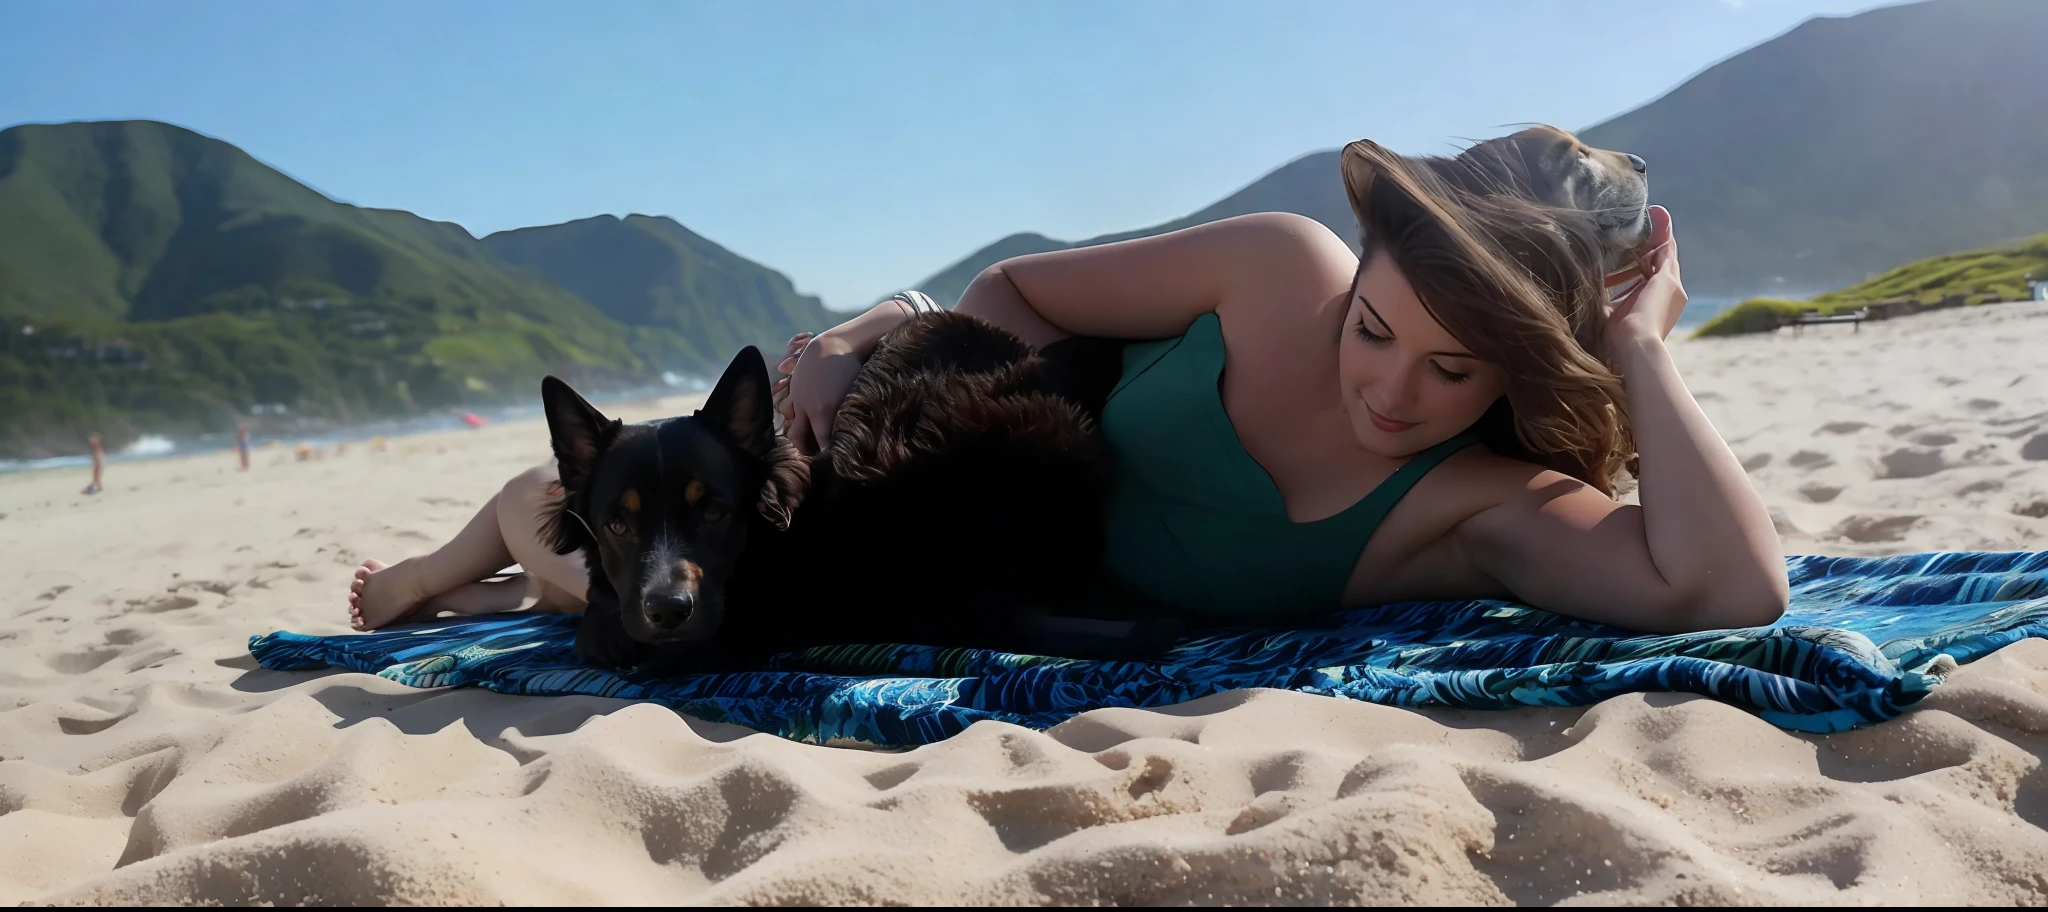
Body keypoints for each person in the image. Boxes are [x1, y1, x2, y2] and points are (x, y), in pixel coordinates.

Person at [349, 141, 1788, 635]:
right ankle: (440, 567)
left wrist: (1643, 347)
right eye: (1375, 326)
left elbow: (1727, 589)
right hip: (948, 438)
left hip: (960, 566)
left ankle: (470, 567)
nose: (1390, 391)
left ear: (1525, 377)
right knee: (650, 517)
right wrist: (865, 372)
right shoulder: (1277, 266)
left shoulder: (1470, 504)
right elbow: (1019, 294)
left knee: (639, 584)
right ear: (1355, 270)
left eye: (1453, 369)